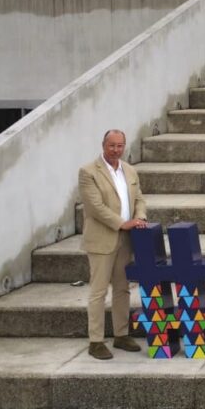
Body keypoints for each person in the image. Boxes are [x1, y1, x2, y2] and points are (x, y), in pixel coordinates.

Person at [79, 129, 147, 360]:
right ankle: (96, 341)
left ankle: (121, 335)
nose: (116, 150)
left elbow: (139, 199)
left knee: (122, 288)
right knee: (98, 292)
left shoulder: (129, 170)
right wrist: (122, 223)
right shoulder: (88, 172)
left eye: (120, 146)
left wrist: (140, 218)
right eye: (112, 145)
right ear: (103, 145)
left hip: (126, 240)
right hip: (101, 239)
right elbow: (95, 207)